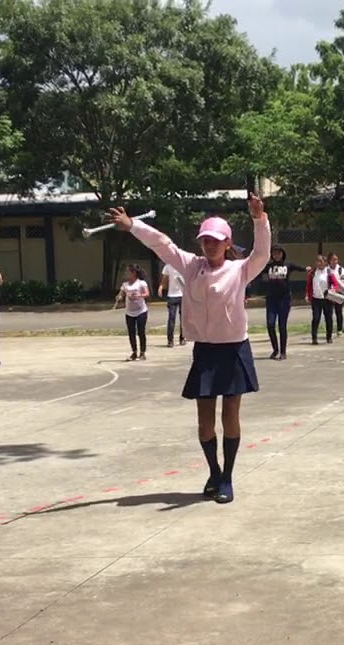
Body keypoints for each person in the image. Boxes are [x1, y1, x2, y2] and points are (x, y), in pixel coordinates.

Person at [109, 193, 271, 505]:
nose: (209, 245)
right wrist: (133, 226)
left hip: (234, 348)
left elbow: (262, 254)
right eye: (205, 240)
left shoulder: (239, 270)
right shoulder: (190, 266)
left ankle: (227, 478)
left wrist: (259, 219)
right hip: (206, 352)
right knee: (204, 420)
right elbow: (163, 245)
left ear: (227, 243)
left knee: (231, 416)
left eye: (216, 240)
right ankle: (213, 470)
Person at [261, 246, 306, 359]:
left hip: (284, 299)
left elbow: (299, 268)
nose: (276, 255)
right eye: (274, 253)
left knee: (282, 325)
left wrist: (307, 269)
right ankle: (275, 349)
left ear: (282, 254)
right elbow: (257, 271)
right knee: (270, 324)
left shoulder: (287, 265)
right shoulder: (269, 266)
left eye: (278, 253)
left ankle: (283, 352)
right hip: (271, 299)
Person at [306, 254, 344, 345]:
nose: (319, 263)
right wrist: (308, 295)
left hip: (327, 298)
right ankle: (314, 338)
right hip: (316, 298)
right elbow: (309, 285)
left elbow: (336, 284)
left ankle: (329, 337)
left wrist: (333, 290)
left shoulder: (329, 273)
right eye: (317, 261)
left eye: (321, 261)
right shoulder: (312, 273)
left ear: (325, 263)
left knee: (328, 318)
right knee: (316, 318)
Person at [116, 264, 150, 361]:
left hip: (141, 311)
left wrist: (139, 295)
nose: (126, 273)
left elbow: (147, 293)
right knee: (131, 332)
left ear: (134, 273)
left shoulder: (141, 283)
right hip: (129, 312)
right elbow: (120, 295)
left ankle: (142, 352)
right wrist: (119, 297)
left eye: (128, 272)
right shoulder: (125, 285)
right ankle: (134, 352)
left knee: (141, 331)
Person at [158, 262, 185, 347]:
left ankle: (182, 337)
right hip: (172, 295)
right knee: (171, 318)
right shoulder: (168, 266)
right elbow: (164, 279)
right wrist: (161, 287)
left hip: (183, 295)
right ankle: (170, 340)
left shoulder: (184, 265)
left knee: (183, 318)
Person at [327, 252, 344, 339]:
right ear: (329, 260)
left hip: (338, 293)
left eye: (336, 259)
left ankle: (339, 329)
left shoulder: (340, 269)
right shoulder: (326, 269)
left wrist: (337, 290)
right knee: (329, 312)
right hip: (329, 293)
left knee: (338, 311)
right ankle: (330, 330)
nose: (335, 261)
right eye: (333, 260)